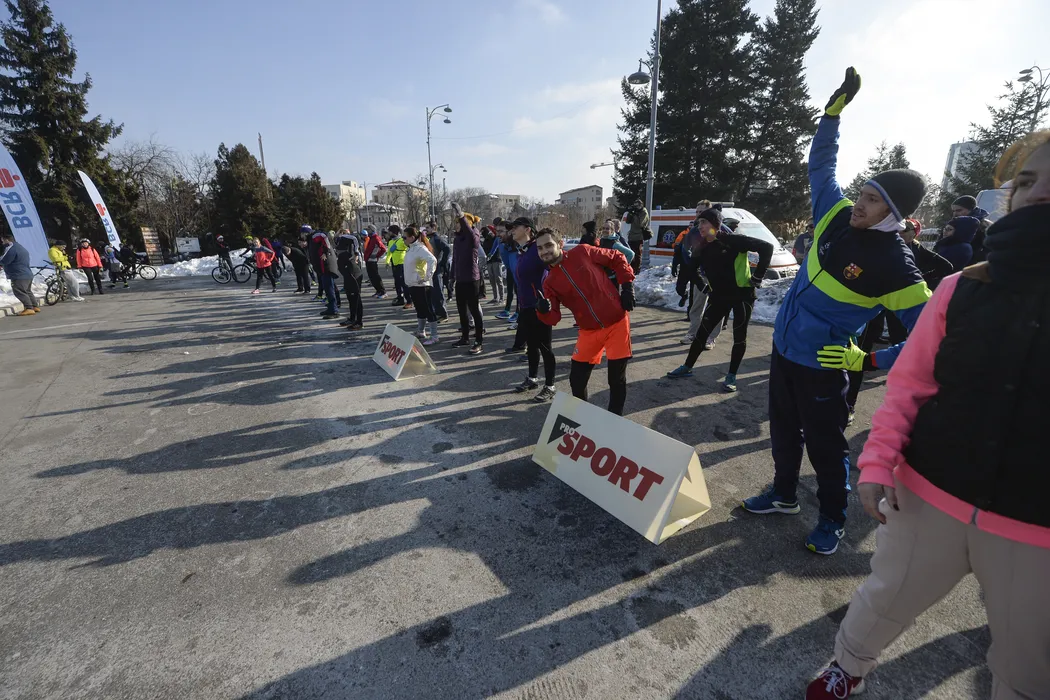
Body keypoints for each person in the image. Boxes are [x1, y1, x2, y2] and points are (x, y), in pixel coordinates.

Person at [805, 130, 1050, 700]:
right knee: (884, 597)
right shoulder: (961, 289)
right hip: (930, 493)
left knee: (1027, 655)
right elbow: (912, 384)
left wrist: (866, 357)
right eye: (1027, 180)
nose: (1038, 192)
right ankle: (847, 666)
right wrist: (877, 462)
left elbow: (900, 333)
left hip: (1033, 528)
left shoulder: (902, 265)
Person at [741, 67, 932, 556]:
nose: (858, 204)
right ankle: (784, 494)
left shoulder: (898, 267)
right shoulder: (835, 213)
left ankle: (832, 518)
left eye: (872, 200)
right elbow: (821, 166)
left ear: (894, 212)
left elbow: (933, 339)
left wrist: (869, 360)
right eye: (862, 193)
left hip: (824, 366)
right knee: (783, 433)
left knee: (826, 447)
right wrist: (831, 117)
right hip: (784, 351)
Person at [667, 207, 773, 392]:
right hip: (719, 296)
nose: (700, 226)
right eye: (698, 223)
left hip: (742, 296)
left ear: (715, 224)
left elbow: (767, 248)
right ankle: (687, 367)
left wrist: (758, 276)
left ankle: (731, 376)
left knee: (739, 336)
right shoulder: (701, 247)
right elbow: (691, 270)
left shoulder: (733, 240)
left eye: (704, 222)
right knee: (702, 333)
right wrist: (702, 286)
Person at [535, 228, 635, 415]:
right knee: (577, 380)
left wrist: (627, 287)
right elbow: (554, 317)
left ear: (560, 244)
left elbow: (617, 257)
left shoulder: (582, 252)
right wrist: (542, 310)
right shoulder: (549, 282)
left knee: (616, 379)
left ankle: (615, 420)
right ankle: (584, 418)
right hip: (589, 331)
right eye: (540, 248)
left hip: (617, 322)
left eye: (548, 245)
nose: (544, 251)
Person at [504, 217, 557, 401]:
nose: (511, 230)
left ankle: (550, 386)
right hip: (526, 306)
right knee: (532, 345)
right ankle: (533, 378)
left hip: (540, 306)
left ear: (527, 229)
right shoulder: (523, 251)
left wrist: (549, 299)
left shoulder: (537, 249)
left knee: (545, 347)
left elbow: (554, 270)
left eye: (515, 227)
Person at [450, 202, 485, 355]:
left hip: (472, 279)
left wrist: (461, 215)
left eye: (458, 223)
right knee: (462, 311)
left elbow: (470, 234)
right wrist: (451, 277)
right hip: (460, 280)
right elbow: (455, 260)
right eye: (456, 222)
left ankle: (478, 341)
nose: (456, 225)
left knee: (474, 310)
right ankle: (465, 337)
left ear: (467, 224)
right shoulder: (457, 239)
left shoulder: (474, 235)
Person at [403, 226, 441, 345]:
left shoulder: (420, 248)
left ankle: (434, 335)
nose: (403, 239)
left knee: (428, 309)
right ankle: (421, 331)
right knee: (420, 309)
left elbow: (432, 260)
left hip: (422, 285)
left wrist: (426, 277)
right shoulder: (411, 249)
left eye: (404, 237)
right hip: (413, 284)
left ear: (412, 237)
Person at [0, 232, 39, 315]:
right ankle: (34, 306)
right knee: (27, 291)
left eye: (2, 240)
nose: (2, 242)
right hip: (26, 273)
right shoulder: (20, 247)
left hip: (18, 275)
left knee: (19, 291)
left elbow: (6, 260)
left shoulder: (12, 249)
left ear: (7, 240)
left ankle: (29, 308)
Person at [950, 194, 993, 264]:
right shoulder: (955, 224)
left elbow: (989, 250)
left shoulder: (983, 226)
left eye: (959, 210)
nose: (955, 214)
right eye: (953, 211)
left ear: (970, 209)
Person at [336, 231, 364, 330]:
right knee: (350, 298)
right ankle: (352, 318)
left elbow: (355, 238)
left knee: (356, 299)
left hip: (354, 276)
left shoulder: (346, 253)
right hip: (348, 277)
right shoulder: (341, 254)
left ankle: (359, 322)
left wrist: (356, 252)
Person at [427, 225, 450, 321]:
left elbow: (447, 249)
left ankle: (443, 314)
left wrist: (442, 262)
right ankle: (437, 312)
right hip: (432, 268)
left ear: (434, 228)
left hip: (437, 268)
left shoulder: (437, 239)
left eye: (428, 228)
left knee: (438, 291)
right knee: (433, 292)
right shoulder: (430, 239)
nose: (426, 230)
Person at [624, 198, 651, 274]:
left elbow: (640, 224)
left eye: (637, 206)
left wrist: (635, 214)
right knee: (630, 253)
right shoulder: (636, 212)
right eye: (635, 205)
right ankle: (631, 268)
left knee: (637, 254)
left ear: (641, 205)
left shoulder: (644, 212)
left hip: (639, 236)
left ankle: (636, 270)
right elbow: (628, 221)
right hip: (632, 236)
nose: (635, 207)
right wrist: (630, 213)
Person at [385, 225, 410, 307]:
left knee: (404, 283)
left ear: (393, 232)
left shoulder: (402, 241)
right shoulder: (390, 242)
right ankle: (400, 298)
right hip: (394, 264)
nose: (388, 233)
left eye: (389, 231)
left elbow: (409, 248)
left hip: (402, 264)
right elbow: (389, 253)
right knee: (397, 283)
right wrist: (387, 262)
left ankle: (409, 300)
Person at [362, 225, 388, 298]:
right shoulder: (370, 238)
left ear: (372, 230)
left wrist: (377, 256)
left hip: (372, 261)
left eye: (368, 229)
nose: (367, 231)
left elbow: (383, 248)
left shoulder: (376, 238)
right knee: (372, 277)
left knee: (376, 277)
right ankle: (378, 291)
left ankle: (383, 292)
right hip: (368, 260)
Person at [483, 225, 505, 307]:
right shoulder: (486, 240)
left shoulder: (496, 238)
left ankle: (501, 298)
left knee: (498, 279)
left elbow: (496, 247)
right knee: (492, 280)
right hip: (489, 261)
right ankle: (495, 297)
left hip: (496, 260)